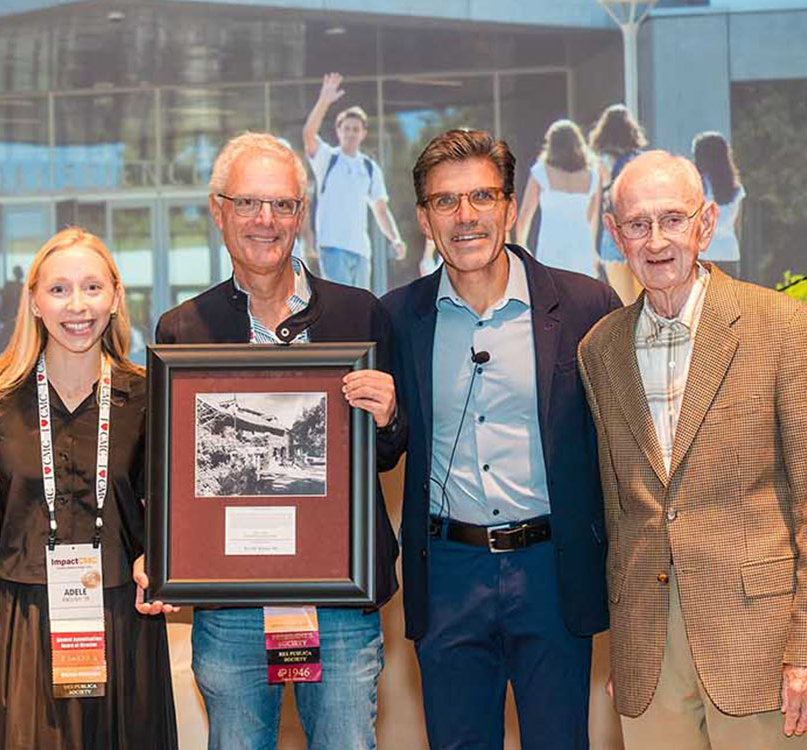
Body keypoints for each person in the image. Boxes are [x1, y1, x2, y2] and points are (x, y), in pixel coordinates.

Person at [135, 132, 403, 750]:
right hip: (229, 603)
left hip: (339, 597)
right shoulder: (183, 329)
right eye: (250, 203)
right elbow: (168, 469)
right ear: (218, 210)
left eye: (282, 205)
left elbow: (387, 453)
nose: (266, 220)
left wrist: (388, 416)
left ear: (301, 215)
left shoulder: (359, 315)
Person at [576, 151, 807, 748]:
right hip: (648, 649)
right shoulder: (599, 349)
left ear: (705, 224)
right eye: (637, 224)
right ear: (614, 233)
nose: (656, 241)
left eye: (672, 219)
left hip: (766, 642)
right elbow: (620, 511)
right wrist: (623, 646)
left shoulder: (786, 328)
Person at [381, 128, 621, 749]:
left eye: (482, 197)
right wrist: (383, 420)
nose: (466, 217)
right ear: (423, 219)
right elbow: (386, 450)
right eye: (446, 201)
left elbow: (617, 451)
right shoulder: (397, 318)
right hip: (449, 571)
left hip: (552, 568)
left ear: (511, 206)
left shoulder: (586, 305)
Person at [0, 227, 178, 749]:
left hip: (121, 617)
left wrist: (161, 557)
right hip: (20, 619)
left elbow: (175, 506)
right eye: (58, 289)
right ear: (34, 301)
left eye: (92, 287)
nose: (76, 305)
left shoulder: (151, 393)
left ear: (114, 297)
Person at [302, 72, 407, 288]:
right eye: (347, 128)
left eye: (356, 129)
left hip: (360, 252)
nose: (351, 133)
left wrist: (395, 238)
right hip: (332, 248)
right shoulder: (327, 158)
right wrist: (324, 101)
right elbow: (308, 135)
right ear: (338, 131)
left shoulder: (369, 168)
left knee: (358, 311)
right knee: (340, 308)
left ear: (363, 133)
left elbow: (380, 210)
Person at [515, 119, 600, 278]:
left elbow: (525, 216)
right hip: (582, 251)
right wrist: (593, 252)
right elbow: (592, 220)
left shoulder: (541, 172)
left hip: (550, 250)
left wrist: (522, 247)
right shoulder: (593, 176)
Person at [588, 104, 648, 303]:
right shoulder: (641, 160)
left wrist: (591, 247)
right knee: (645, 304)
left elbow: (595, 206)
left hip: (612, 237)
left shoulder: (601, 162)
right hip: (640, 236)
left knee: (624, 305)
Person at [692, 132, 746, 278]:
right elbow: (737, 228)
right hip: (730, 254)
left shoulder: (695, 187)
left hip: (703, 254)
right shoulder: (736, 189)